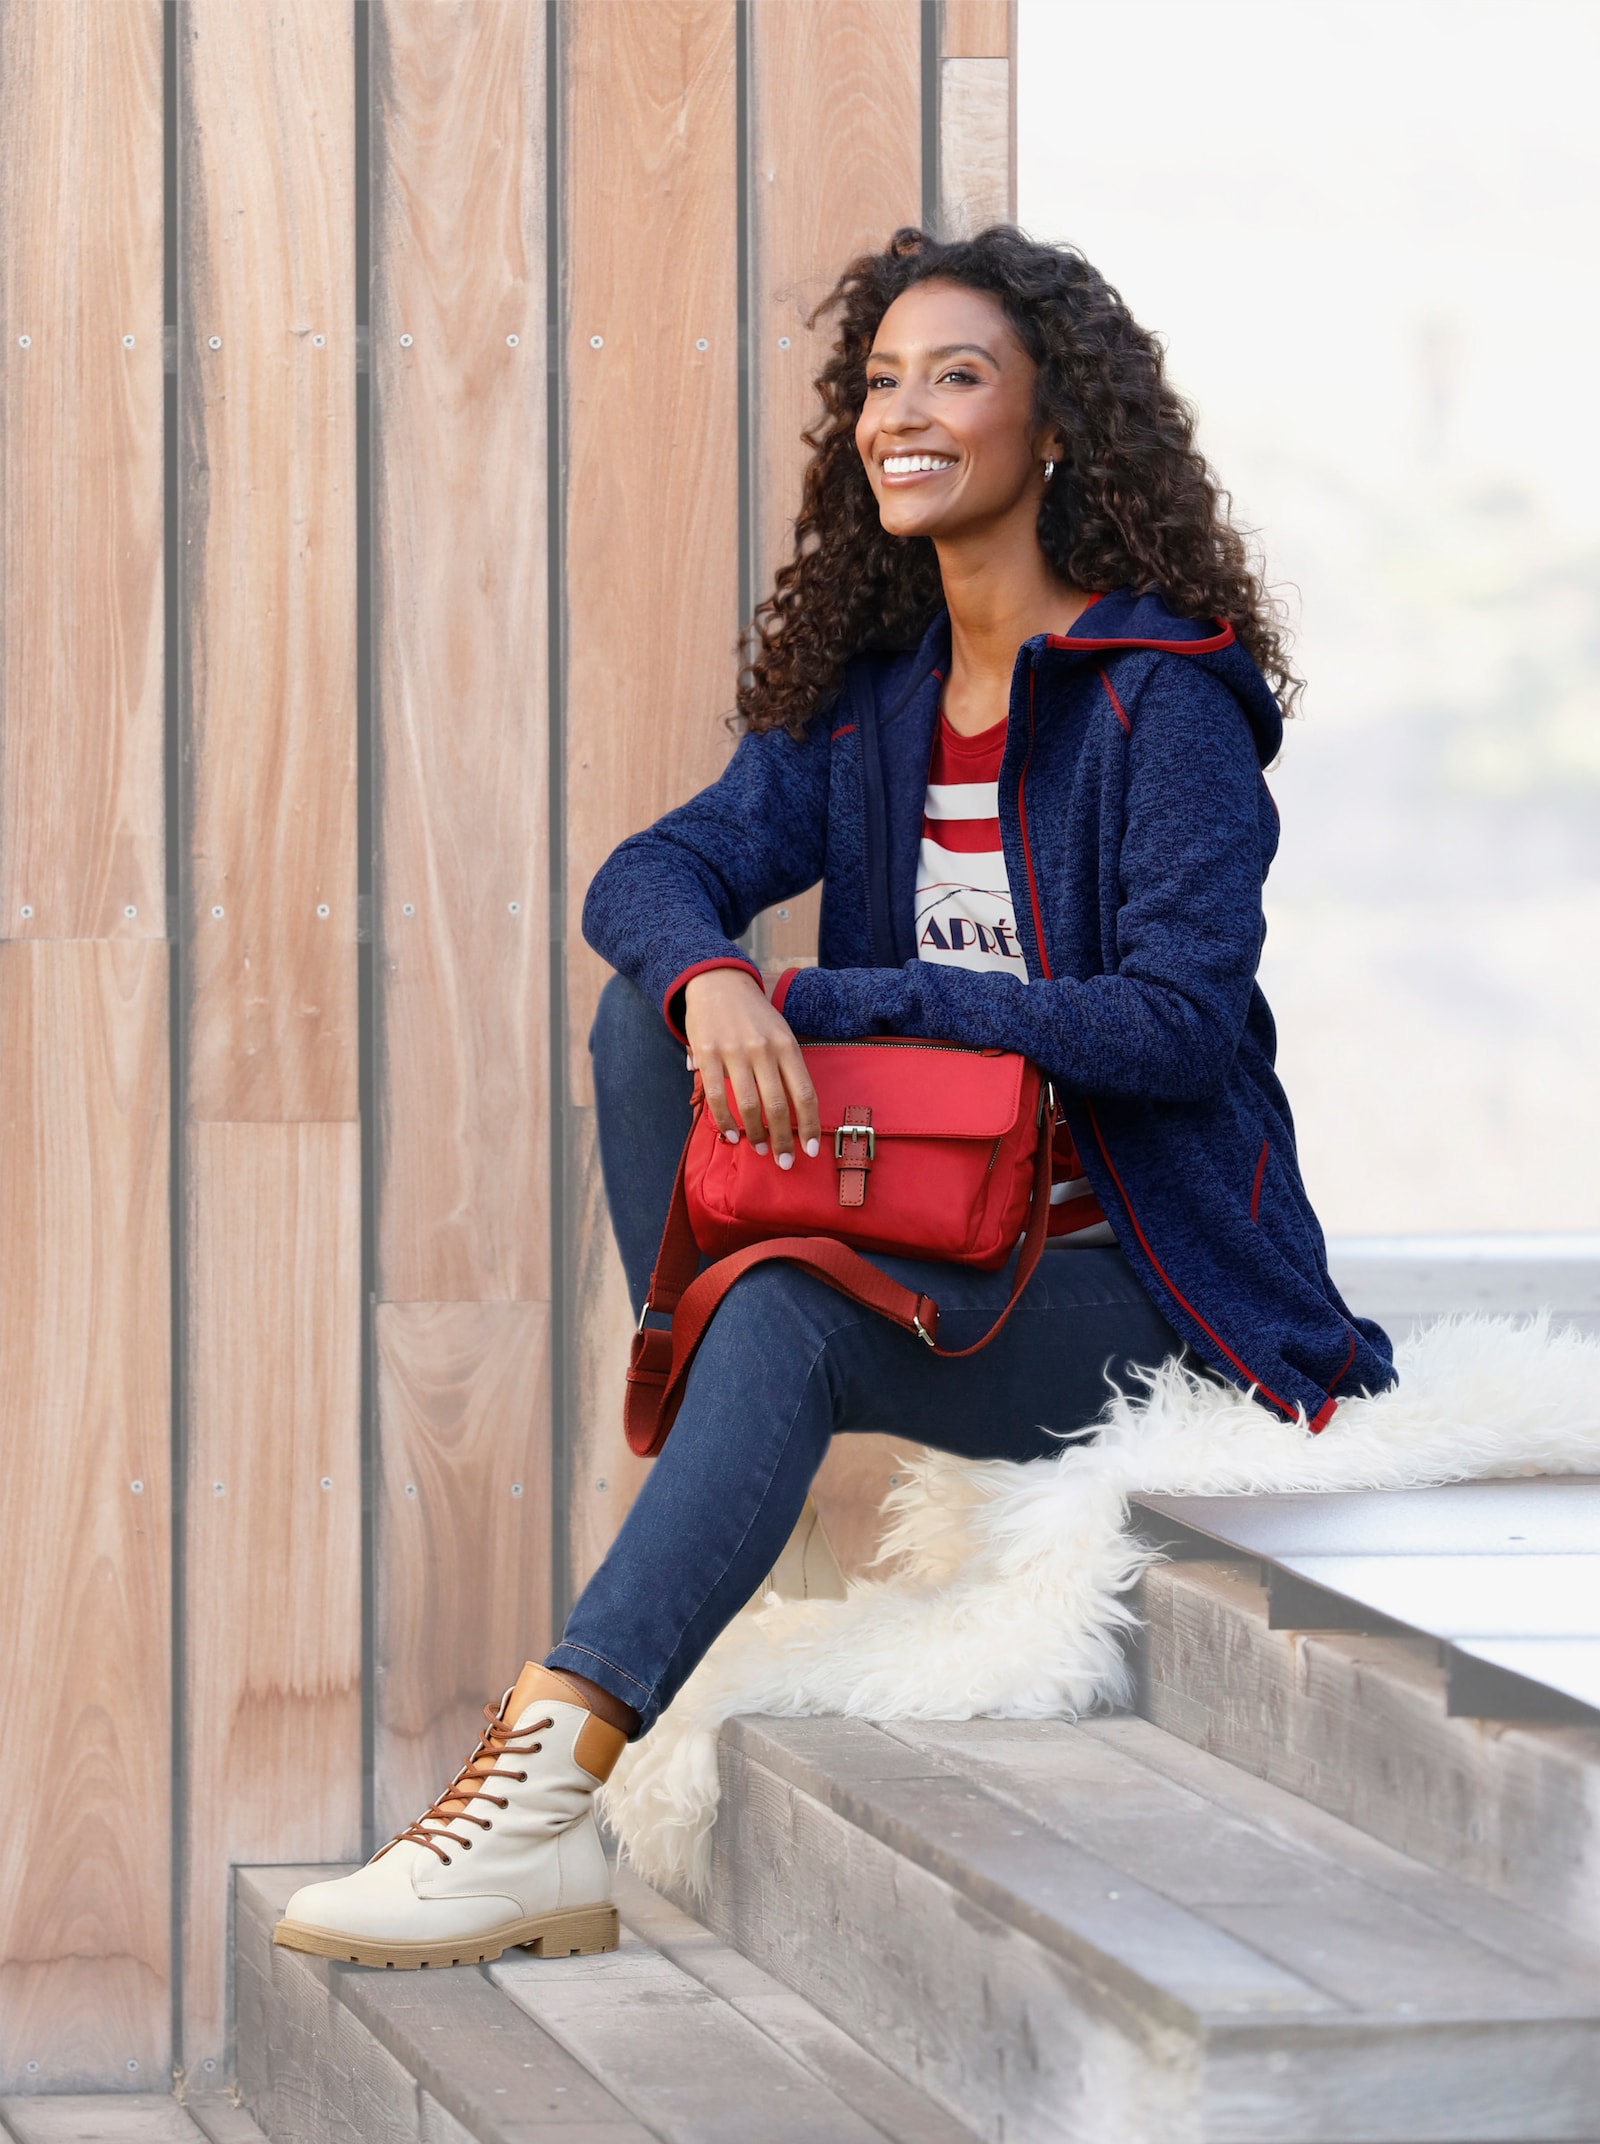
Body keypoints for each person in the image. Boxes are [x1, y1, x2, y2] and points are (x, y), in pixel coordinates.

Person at [274, 224, 1395, 1972]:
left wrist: (849, 995)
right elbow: (651, 874)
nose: (903, 413)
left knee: (788, 1303)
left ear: (1057, 429)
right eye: (881, 382)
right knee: (650, 1017)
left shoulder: (1158, 706)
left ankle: (533, 1805)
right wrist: (713, 975)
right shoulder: (875, 710)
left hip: (1144, 1284)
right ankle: (724, 1446)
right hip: (947, 1238)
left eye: (958, 376)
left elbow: (1178, 1029)